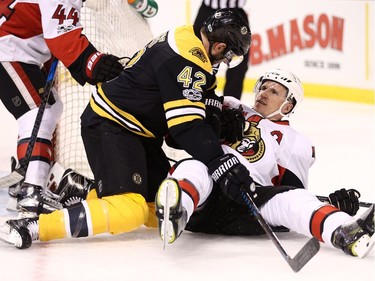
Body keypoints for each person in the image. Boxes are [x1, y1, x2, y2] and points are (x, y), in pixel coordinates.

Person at [0, 8, 253, 249]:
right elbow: (185, 129)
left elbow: (190, 112)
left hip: (137, 131)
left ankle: (80, 192)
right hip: (111, 125)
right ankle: (33, 226)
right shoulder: (188, 60)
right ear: (219, 46)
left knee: (159, 212)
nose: (225, 61)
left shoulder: (189, 37)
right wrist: (221, 162)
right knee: (130, 209)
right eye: (228, 56)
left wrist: (216, 114)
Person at [154, 68, 374, 258]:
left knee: (294, 199)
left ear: (287, 106)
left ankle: (344, 231)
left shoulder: (295, 141)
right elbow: (181, 132)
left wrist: (331, 206)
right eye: (263, 87)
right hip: (207, 196)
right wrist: (215, 121)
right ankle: (177, 213)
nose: (264, 93)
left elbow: (291, 191)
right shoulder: (230, 105)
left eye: (274, 91)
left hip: (249, 205)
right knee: (193, 167)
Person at [0, 0, 124, 212]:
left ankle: (27, 177)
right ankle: (32, 189)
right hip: (8, 50)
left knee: (50, 106)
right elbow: (61, 37)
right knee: (39, 112)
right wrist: (94, 63)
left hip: (13, 46)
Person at [194, 0, 250, 100]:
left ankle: (230, 105)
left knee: (238, 63)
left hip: (235, 14)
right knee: (196, 55)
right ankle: (194, 95)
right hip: (208, 11)